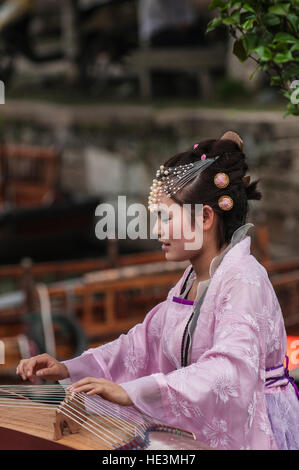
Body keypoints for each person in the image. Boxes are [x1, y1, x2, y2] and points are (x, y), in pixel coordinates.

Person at [16, 131, 299, 450]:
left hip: (254, 422)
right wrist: (69, 367)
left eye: (166, 217)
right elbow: (143, 343)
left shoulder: (244, 279)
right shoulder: (192, 278)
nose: (157, 230)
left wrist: (132, 391)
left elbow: (229, 371)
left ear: (205, 217)